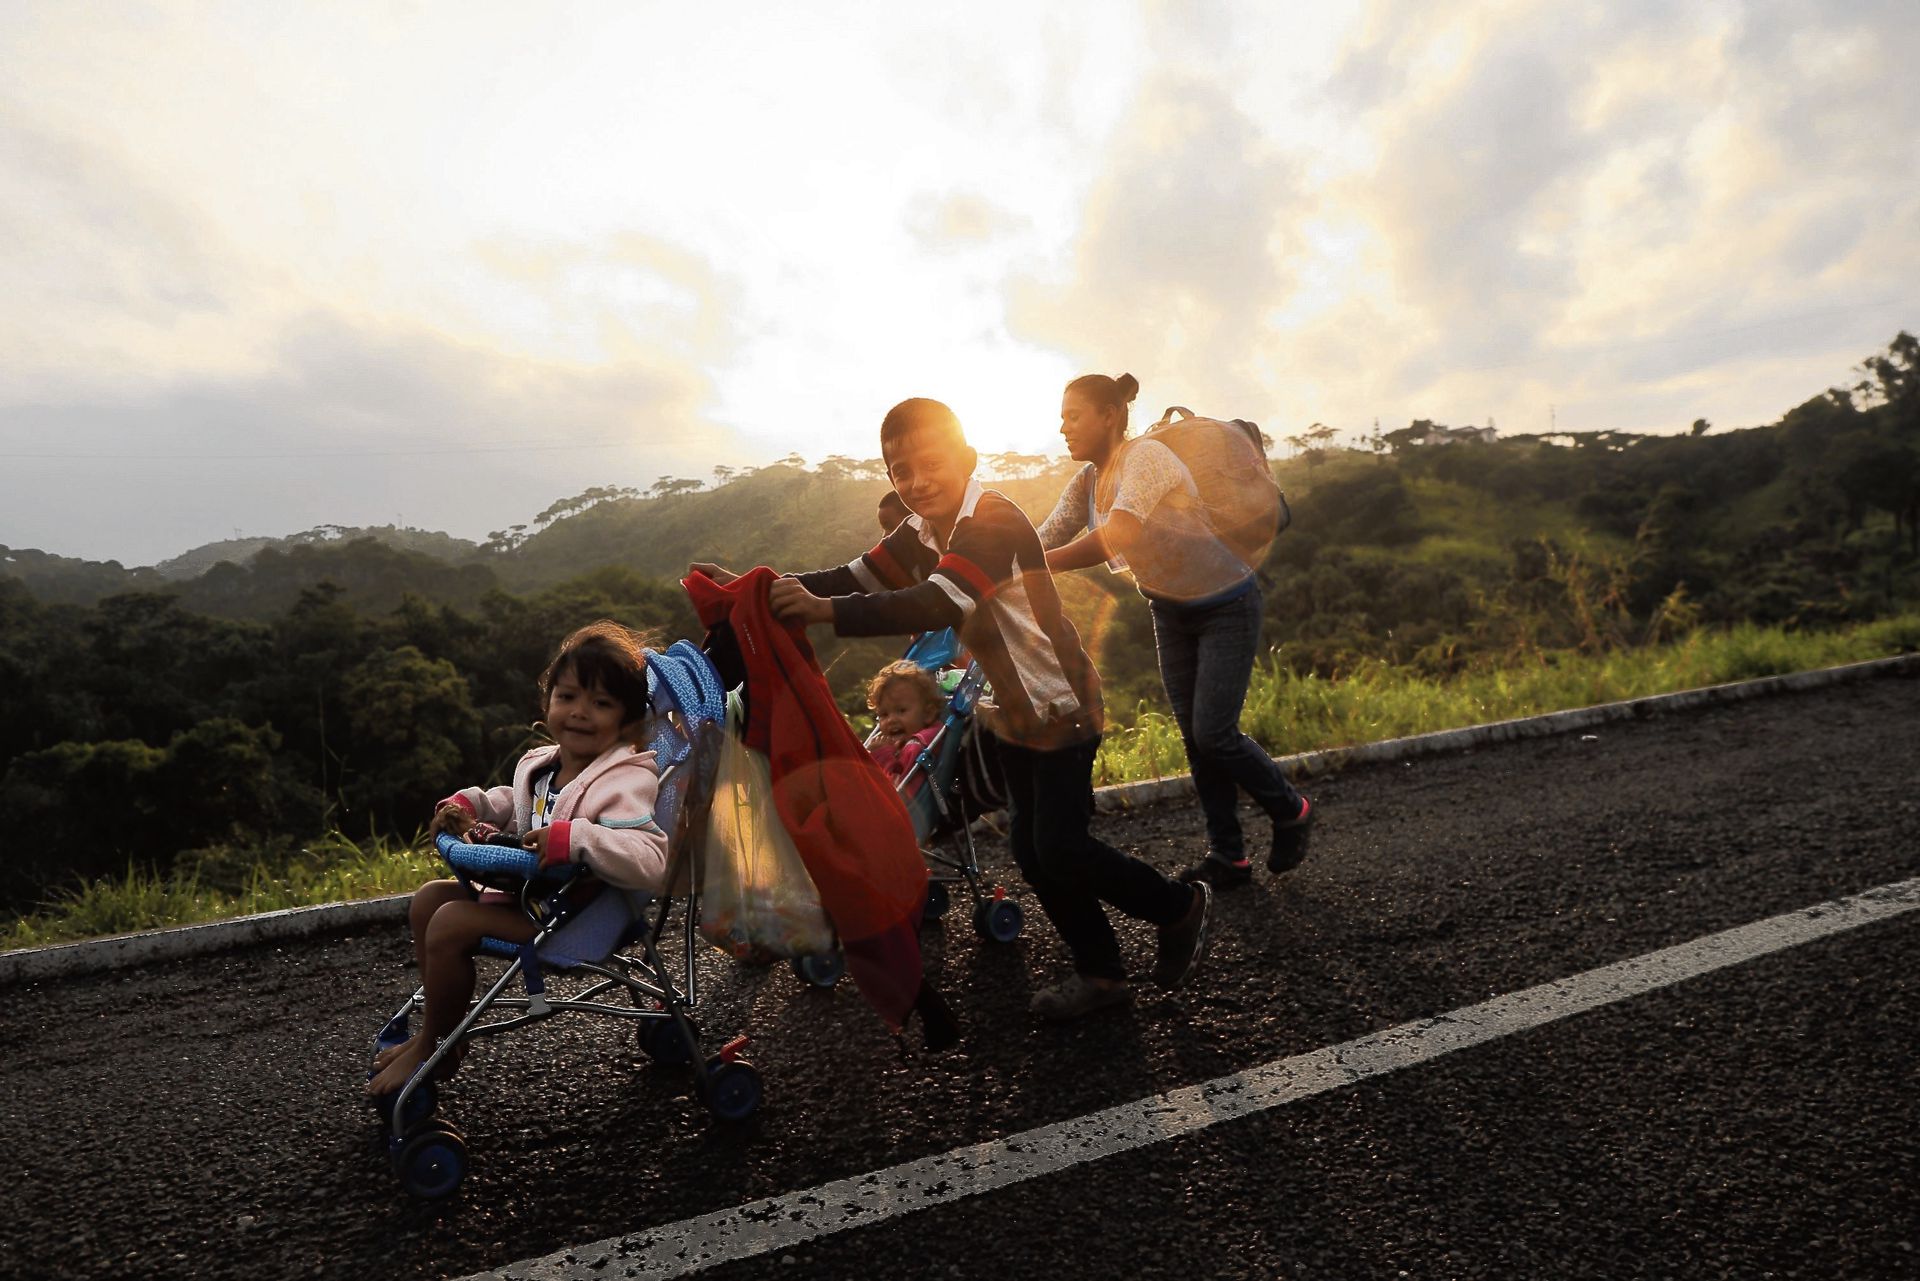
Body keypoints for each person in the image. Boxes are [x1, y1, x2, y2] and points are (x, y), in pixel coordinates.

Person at [692, 396, 1213, 1022]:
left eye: (930, 464)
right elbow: (854, 575)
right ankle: (1103, 973)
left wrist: (825, 613)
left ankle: (1178, 907)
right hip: (1010, 710)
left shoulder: (991, 521)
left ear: (967, 457)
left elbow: (940, 600)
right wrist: (761, 586)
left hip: (1060, 702)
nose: (916, 483)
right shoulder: (921, 531)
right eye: (899, 471)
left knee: (1062, 846)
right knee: (1031, 848)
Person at [368, 621, 672, 1095]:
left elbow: (649, 858)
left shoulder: (624, 781)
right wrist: (468, 806)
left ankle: (433, 1044)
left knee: (450, 923)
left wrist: (574, 839)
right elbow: (512, 803)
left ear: (628, 722)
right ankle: (441, 1029)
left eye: (601, 703)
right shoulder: (543, 763)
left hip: (578, 916)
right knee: (429, 899)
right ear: (548, 700)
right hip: (536, 899)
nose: (579, 713)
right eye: (567, 696)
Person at [1041, 372, 1314, 891]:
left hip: (1227, 604)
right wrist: (987, 557)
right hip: (1170, 610)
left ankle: (1291, 808)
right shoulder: (1087, 482)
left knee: (1214, 732)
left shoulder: (1144, 459)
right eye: (1062, 417)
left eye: (1073, 416)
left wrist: (1034, 565)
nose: (1062, 428)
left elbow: (1118, 533)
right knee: (1195, 738)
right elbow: (1045, 534)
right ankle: (1229, 857)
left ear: (1109, 416)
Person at [866, 659, 945, 794]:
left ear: (928, 714)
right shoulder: (903, 744)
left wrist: (882, 756)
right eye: (884, 714)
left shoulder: (917, 746)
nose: (891, 720)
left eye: (901, 710)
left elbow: (899, 795)